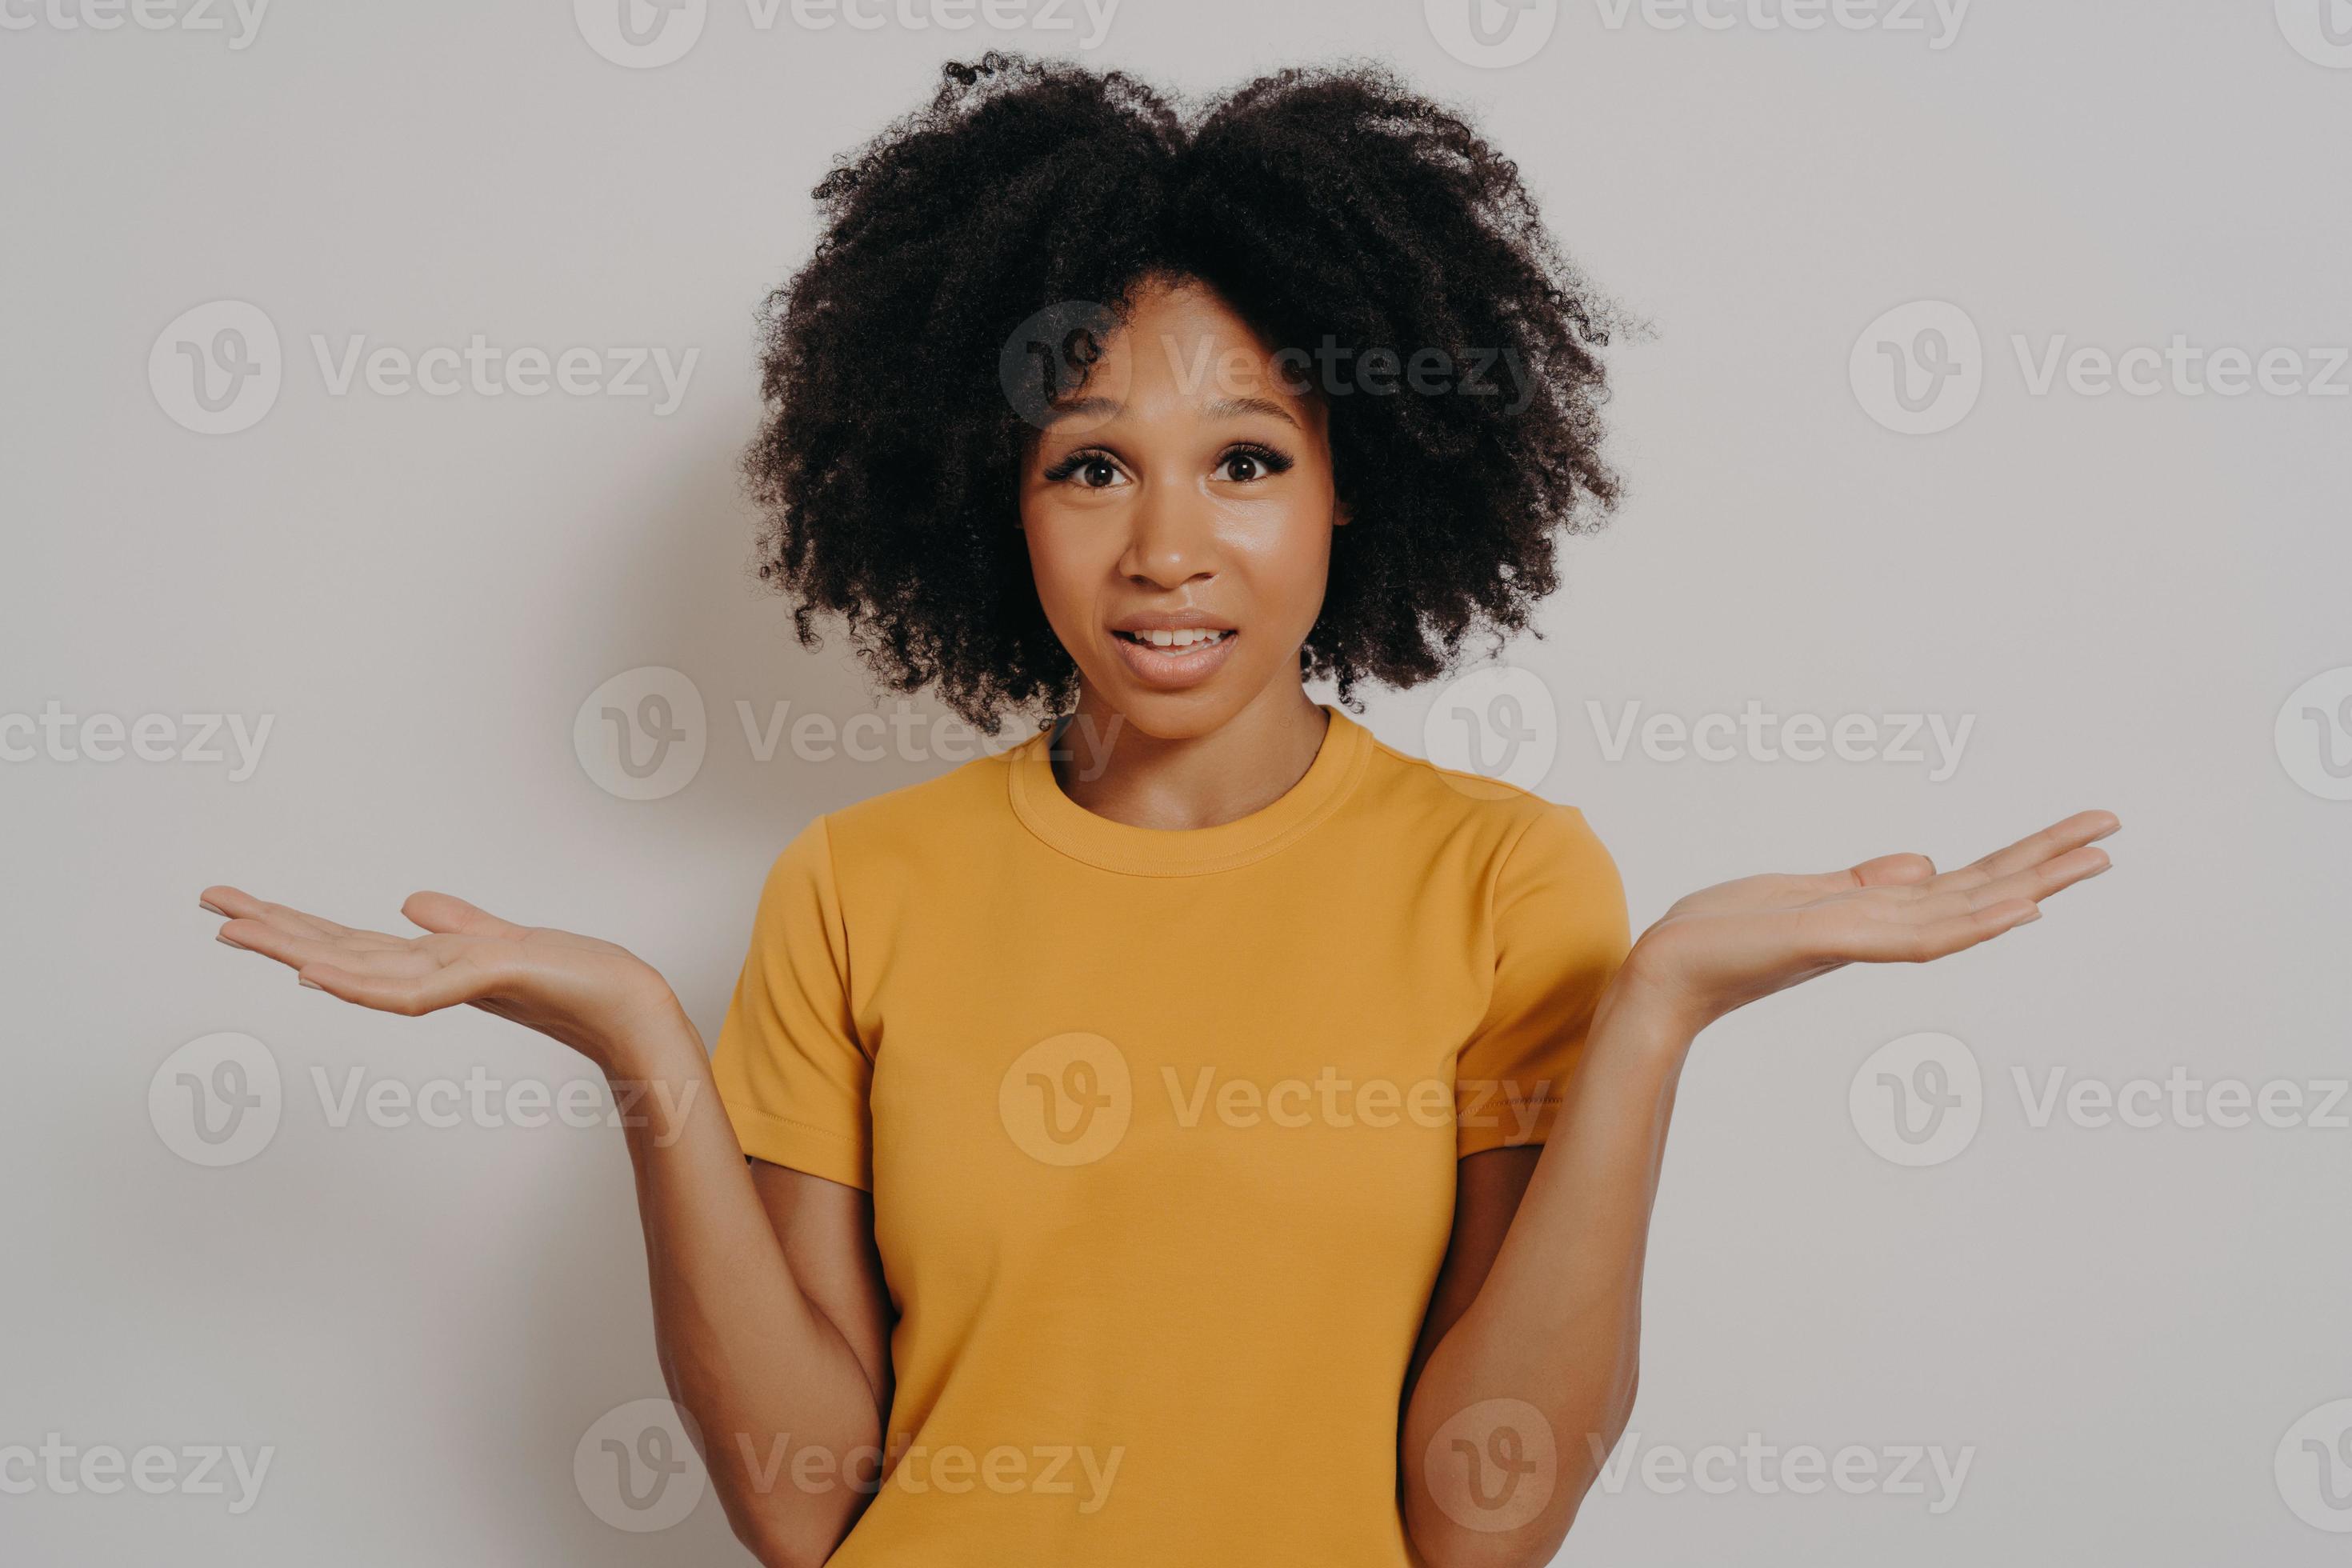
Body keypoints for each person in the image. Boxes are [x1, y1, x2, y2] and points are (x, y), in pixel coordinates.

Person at [198, 54, 2117, 1568]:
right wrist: (634, 1032)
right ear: (996, 495)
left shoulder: (1507, 881)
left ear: (1358, 482)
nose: (1169, 549)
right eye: (1092, 464)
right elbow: (798, 1503)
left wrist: (1658, 1012)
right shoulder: (857, 885)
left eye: (1249, 459)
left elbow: (1486, 1519)